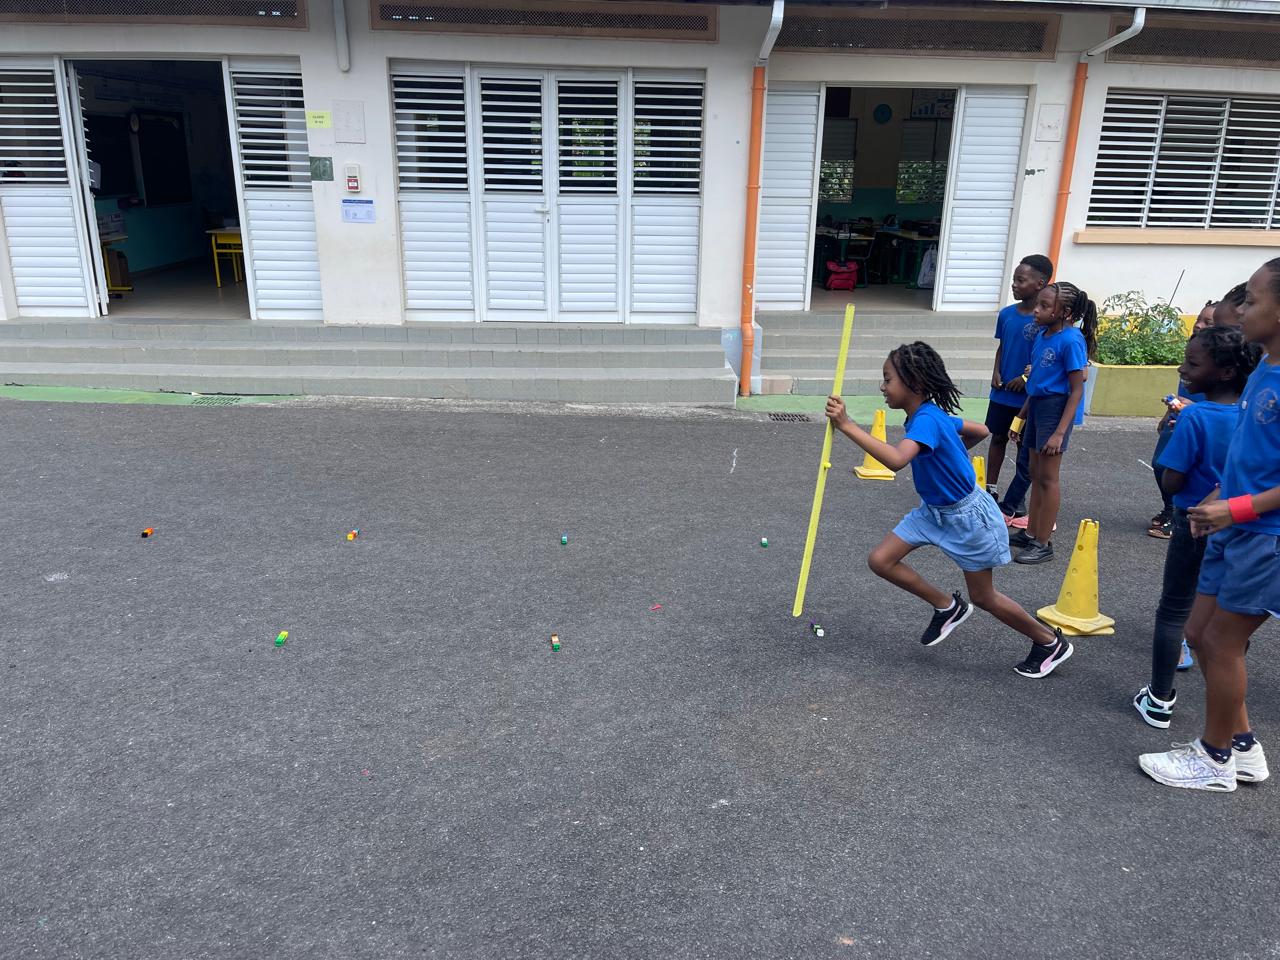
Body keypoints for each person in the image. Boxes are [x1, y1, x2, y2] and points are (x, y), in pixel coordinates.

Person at [824, 341, 1073, 678]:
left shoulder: (926, 419)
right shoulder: (927, 416)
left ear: (915, 383)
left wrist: (847, 425)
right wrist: (948, 454)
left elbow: (896, 460)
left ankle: (1049, 642)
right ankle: (947, 606)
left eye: (888, 379)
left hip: (967, 518)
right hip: (933, 512)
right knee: (881, 560)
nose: (882, 387)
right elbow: (981, 430)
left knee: (984, 597)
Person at [1139, 258, 1280, 792]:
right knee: (1198, 634)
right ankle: (1242, 746)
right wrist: (1218, 500)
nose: (1240, 310)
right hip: (1233, 524)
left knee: (1222, 642)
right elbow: (1248, 451)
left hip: (1265, 536)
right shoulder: (1263, 367)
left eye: (1253, 301)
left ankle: (1214, 758)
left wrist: (1234, 509)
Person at [1133, 327, 1259, 728]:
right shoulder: (1253, 414)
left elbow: (1171, 480)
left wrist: (1174, 429)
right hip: (1239, 522)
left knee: (1174, 608)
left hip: (1194, 522)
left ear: (1224, 372)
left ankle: (1159, 698)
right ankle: (1224, 696)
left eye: (1192, 363)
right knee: (1228, 616)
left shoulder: (1195, 416)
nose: (1182, 369)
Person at [1009, 282, 1098, 564]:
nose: (1036, 310)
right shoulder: (1042, 335)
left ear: (1065, 312)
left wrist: (1059, 433)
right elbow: (1036, 382)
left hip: (1055, 410)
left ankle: (1043, 542)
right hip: (1037, 406)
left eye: (1045, 306)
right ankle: (1031, 531)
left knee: (1048, 478)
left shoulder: (1071, 340)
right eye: (1038, 303)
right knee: (1035, 473)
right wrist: (1021, 416)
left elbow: (1077, 390)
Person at [984, 255, 1053, 529]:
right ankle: (991, 489)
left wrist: (1025, 378)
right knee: (998, 437)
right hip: (1002, 393)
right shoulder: (1006, 314)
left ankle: (1018, 497)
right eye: (1014, 279)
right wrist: (996, 372)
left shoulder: (1044, 320)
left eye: (1020, 280)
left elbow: (1044, 357)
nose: (1014, 285)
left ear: (1040, 283)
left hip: (1026, 398)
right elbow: (1002, 347)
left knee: (1024, 446)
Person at [1148, 301, 1217, 540]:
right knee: (1160, 463)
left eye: (1208, 322)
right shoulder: (1195, 350)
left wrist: (1193, 410)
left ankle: (1181, 513)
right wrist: (1168, 413)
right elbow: (1182, 391)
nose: (1199, 325)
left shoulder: (1219, 362)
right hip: (1178, 417)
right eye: (1199, 319)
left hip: (1194, 420)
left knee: (1184, 470)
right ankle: (1170, 507)